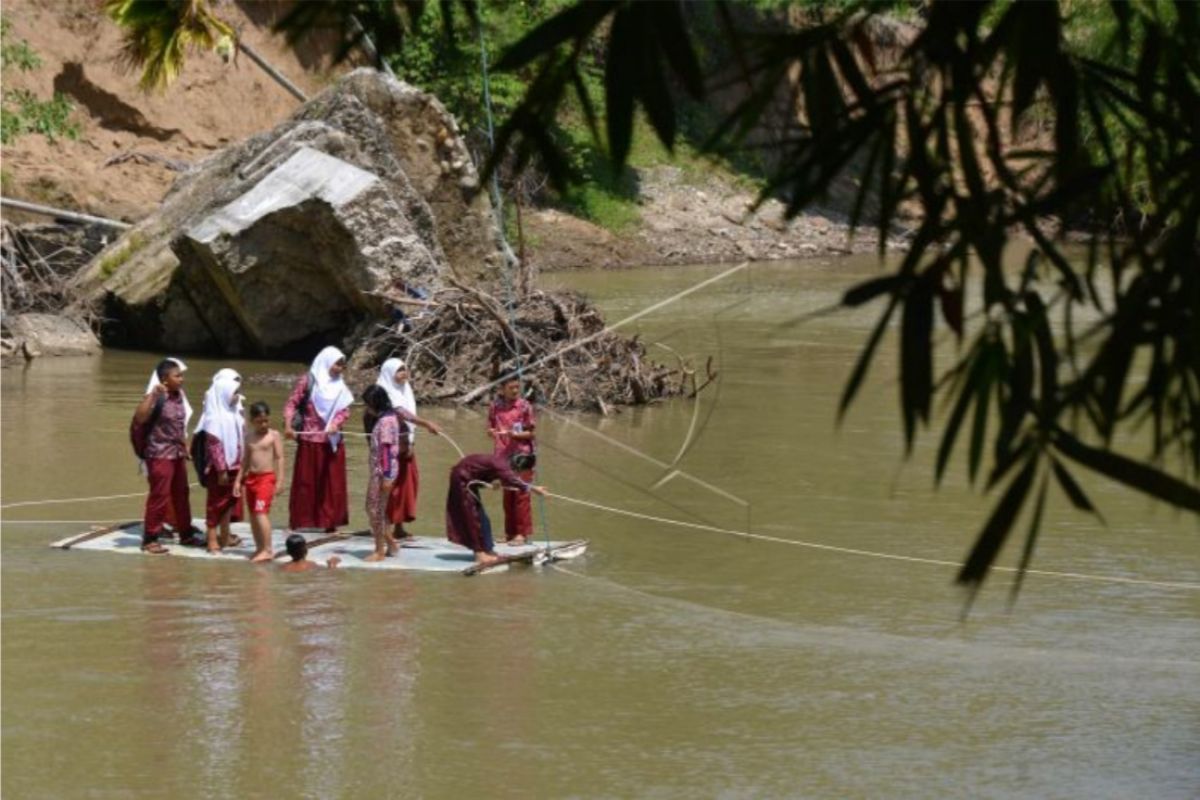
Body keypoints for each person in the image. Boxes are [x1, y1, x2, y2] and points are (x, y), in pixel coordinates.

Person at [134, 357, 201, 554]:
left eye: (181, 375)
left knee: (182, 493)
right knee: (159, 495)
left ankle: (186, 533)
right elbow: (140, 417)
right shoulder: (157, 396)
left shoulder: (178, 395)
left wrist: (185, 445)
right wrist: (152, 395)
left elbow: (178, 424)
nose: (182, 379)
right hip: (159, 454)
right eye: (177, 376)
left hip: (177, 453)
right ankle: (150, 538)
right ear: (164, 378)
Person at [284, 347, 353, 532]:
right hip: (309, 441)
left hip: (332, 442)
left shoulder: (340, 386)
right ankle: (299, 521)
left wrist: (336, 424)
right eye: (337, 364)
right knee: (305, 483)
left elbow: (345, 410)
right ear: (326, 361)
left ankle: (330, 522)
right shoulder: (309, 381)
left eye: (342, 365)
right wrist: (288, 426)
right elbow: (292, 403)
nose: (340, 369)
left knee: (332, 484)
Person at [375, 357, 442, 541]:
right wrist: (426, 423)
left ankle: (399, 527)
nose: (404, 373)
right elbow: (400, 412)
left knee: (406, 487)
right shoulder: (382, 392)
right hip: (389, 450)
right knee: (389, 487)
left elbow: (409, 415)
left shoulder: (406, 390)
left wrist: (411, 442)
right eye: (400, 370)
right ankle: (385, 530)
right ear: (390, 373)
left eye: (405, 369)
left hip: (406, 446)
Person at [445, 453, 547, 566]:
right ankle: (479, 554)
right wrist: (533, 488)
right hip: (461, 481)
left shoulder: (504, 463)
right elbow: (512, 480)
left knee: (483, 519)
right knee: (472, 517)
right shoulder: (503, 465)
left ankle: (488, 550)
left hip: (468, 481)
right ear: (520, 467)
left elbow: (485, 474)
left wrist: (492, 483)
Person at [195, 368, 245, 554]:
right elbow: (215, 446)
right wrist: (222, 469)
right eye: (235, 393)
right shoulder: (214, 418)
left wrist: (242, 466)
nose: (237, 397)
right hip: (219, 469)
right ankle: (212, 539)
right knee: (215, 504)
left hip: (235, 466)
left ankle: (225, 536)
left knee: (229, 502)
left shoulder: (234, 414)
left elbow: (241, 441)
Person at [487, 376, 537, 545]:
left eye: (517, 387)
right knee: (508, 494)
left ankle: (522, 534)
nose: (515, 391)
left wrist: (515, 435)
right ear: (502, 389)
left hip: (522, 454)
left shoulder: (524, 406)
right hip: (502, 455)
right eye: (511, 387)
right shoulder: (495, 406)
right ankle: (510, 533)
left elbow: (531, 433)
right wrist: (492, 432)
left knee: (521, 495)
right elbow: (491, 427)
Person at [236, 401, 285, 563]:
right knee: (253, 515)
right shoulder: (249, 437)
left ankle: (268, 549)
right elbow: (245, 461)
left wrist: (280, 481)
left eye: (266, 421)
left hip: (266, 478)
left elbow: (280, 457)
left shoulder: (273, 435)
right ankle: (259, 547)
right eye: (259, 421)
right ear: (252, 421)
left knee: (261, 512)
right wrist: (238, 481)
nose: (264, 424)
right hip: (252, 479)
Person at [361, 386, 404, 562]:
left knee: (373, 509)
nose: (367, 408)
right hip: (381, 470)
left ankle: (379, 550)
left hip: (383, 471)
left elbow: (386, 449)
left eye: (368, 404)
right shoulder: (390, 416)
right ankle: (390, 543)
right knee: (378, 509)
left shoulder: (386, 421)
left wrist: (386, 476)